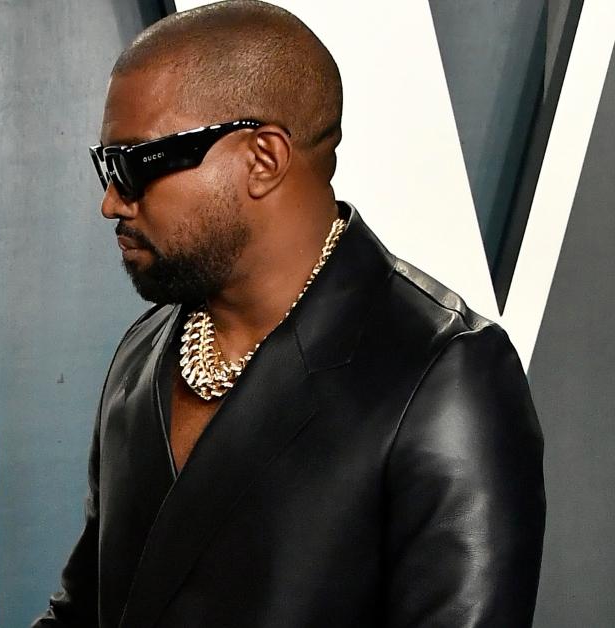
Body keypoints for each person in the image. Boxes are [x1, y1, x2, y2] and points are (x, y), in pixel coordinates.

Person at [34, 2, 545, 626]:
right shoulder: (145, 354)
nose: (112, 201)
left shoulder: (444, 373)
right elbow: (84, 613)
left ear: (262, 159)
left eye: (136, 165)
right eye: (105, 166)